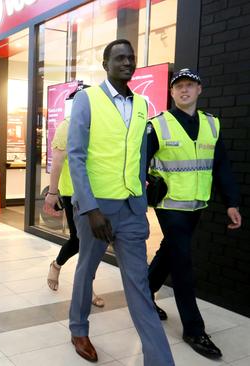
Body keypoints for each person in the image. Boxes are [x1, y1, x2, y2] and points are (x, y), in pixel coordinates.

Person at [67, 39, 174, 365]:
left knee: (139, 284)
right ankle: (78, 328)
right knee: (87, 270)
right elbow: (76, 156)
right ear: (105, 64)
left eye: (131, 58)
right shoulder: (87, 100)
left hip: (131, 210)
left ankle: (159, 360)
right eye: (119, 58)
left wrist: (141, 201)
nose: (127, 62)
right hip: (96, 209)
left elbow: (141, 156)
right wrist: (90, 208)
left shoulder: (142, 104)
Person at [146, 68, 242, 360]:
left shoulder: (212, 125)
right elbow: (137, 165)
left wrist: (231, 202)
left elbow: (221, 166)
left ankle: (143, 295)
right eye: (178, 87)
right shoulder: (158, 125)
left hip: (197, 205)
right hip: (170, 205)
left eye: (189, 85)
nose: (184, 90)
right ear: (172, 92)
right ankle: (193, 329)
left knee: (170, 251)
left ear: (199, 89)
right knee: (183, 263)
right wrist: (143, 196)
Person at [43, 85, 105, 308]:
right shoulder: (67, 126)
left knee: (92, 242)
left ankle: (85, 285)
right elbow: (57, 161)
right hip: (73, 194)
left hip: (98, 192)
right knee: (79, 241)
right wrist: (52, 193)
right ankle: (57, 265)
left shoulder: (99, 126)